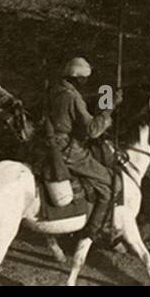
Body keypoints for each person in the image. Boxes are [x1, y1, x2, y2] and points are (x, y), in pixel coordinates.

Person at [45, 57, 114, 238]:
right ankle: (93, 232)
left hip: (45, 141)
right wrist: (107, 111)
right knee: (110, 183)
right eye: (85, 79)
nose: (86, 82)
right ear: (78, 78)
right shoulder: (73, 97)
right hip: (66, 149)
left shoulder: (54, 89)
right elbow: (92, 130)